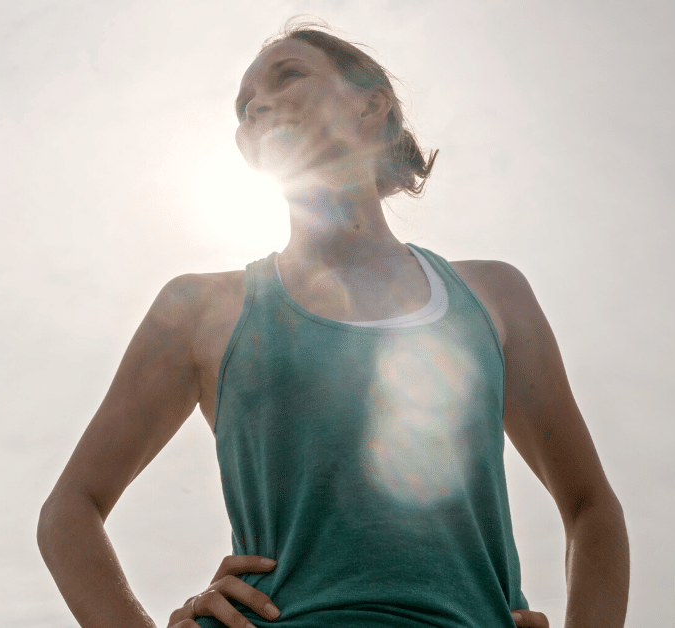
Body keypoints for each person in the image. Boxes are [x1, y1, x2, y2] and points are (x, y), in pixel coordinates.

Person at [36, 21, 629, 628]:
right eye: (243, 108)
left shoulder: (495, 295)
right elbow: (68, 513)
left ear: (372, 103)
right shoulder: (199, 309)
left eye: (287, 75)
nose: (258, 106)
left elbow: (590, 508)